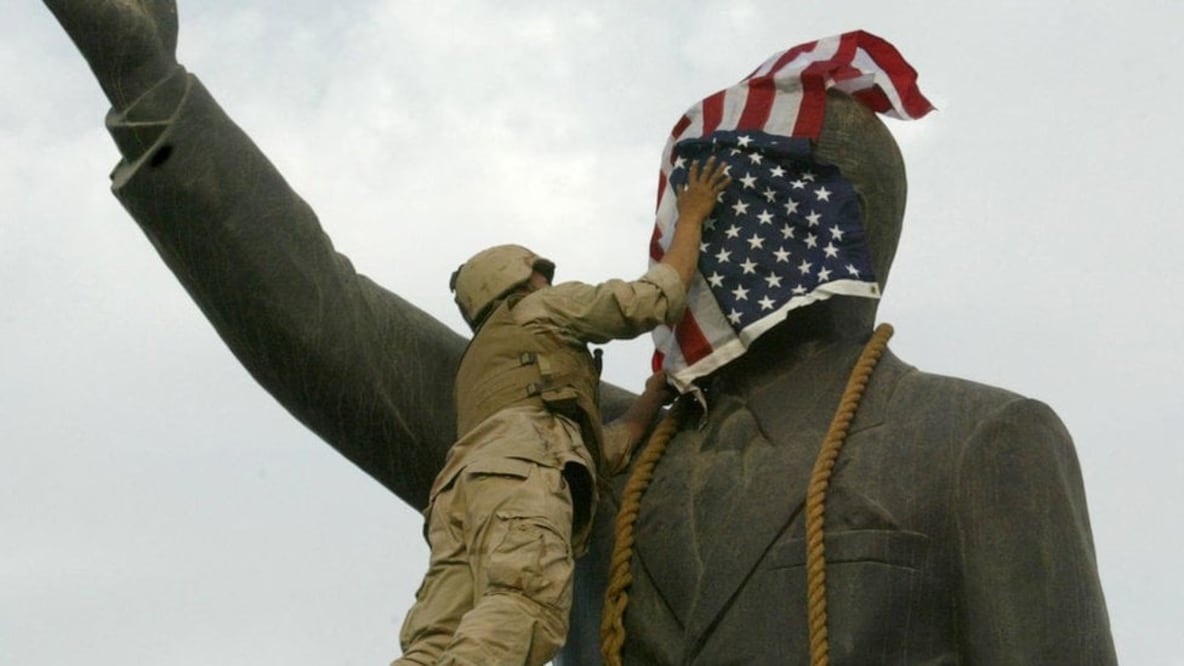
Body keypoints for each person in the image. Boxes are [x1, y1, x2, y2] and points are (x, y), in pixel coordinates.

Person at [42, 2, 1116, 664]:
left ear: (824, 222)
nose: (681, 239)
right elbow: (329, 324)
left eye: (718, 204)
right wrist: (150, 88)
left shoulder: (981, 443)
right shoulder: (579, 454)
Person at [395, 158, 729, 666]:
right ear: (520, 277)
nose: (548, 282)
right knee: (522, 603)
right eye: (541, 275)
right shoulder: (539, 310)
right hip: (523, 478)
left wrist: (647, 403)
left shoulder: (481, 366)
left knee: (435, 641)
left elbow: (591, 449)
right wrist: (692, 217)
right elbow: (653, 300)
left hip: (458, 497)